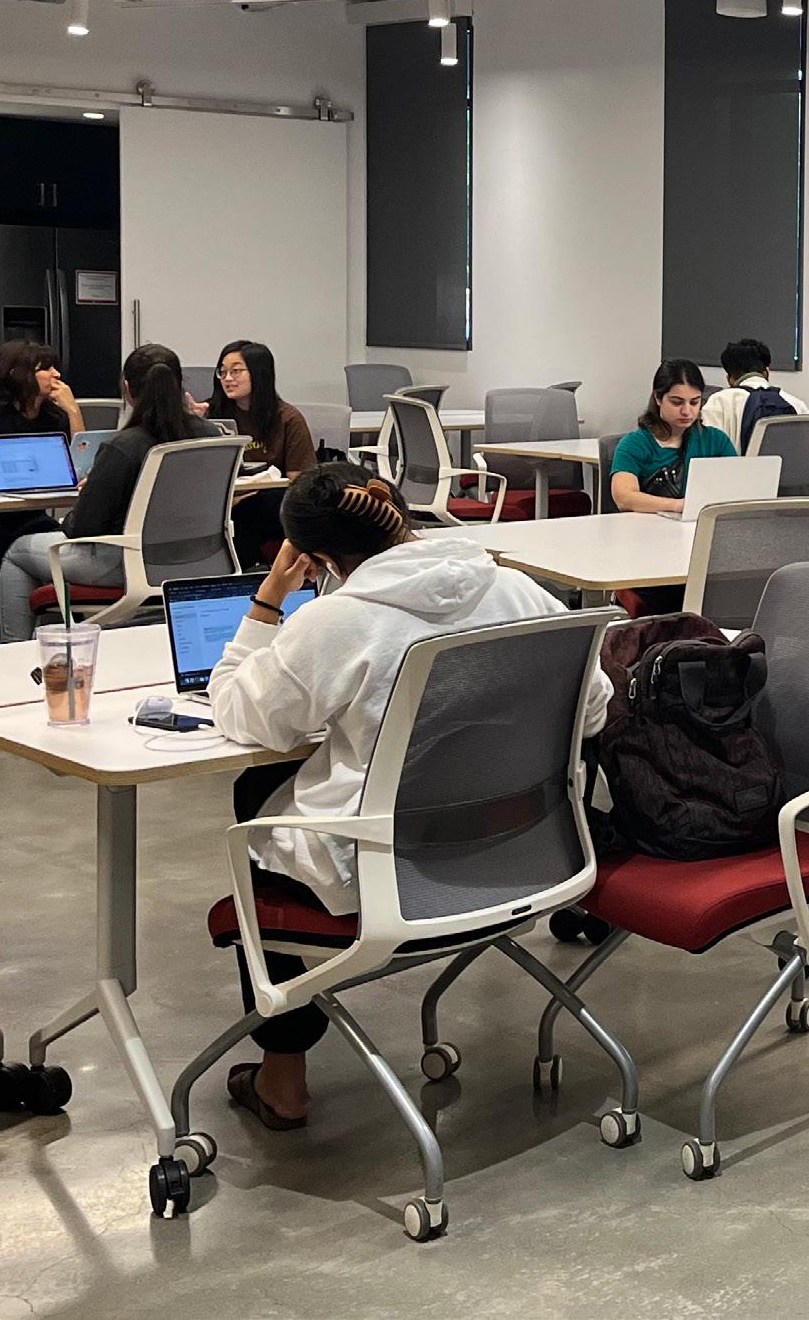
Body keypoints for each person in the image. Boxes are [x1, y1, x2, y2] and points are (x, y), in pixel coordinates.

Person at [206, 463, 611, 1129]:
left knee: (257, 791)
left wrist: (270, 599)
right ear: (399, 510)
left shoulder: (336, 620)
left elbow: (243, 715)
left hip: (398, 876)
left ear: (315, 557)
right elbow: (593, 710)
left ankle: (283, 1075)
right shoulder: (516, 586)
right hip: (522, 856)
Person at [0, 344, 214, 641]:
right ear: (179, 384)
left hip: (127, 563)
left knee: (16, 552)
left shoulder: (124, 446)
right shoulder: (210, 436)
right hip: (201, 559)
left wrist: (92, 491)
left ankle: (15, 651)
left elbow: (83, 528)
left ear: (128, 388)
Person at [0, 340, 83, 644]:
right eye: (46, 368)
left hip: (30, 514)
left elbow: (80, 464)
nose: (56, 374)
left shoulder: (54, 417)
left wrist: (73, 411)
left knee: (66, 543)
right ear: (19, 373)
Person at [210, 339, 317, 562]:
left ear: (259, 374)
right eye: (223, 372)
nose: (227, 378)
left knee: (259, 507)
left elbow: (300, 482)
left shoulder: (288, 418)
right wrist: (191, 422)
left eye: (236, 371)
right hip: (221, 498)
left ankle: (247, 569)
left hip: (267, 501)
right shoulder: (212, 415)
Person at [609, 360, 737, 514]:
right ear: (658, 398)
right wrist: (680, 506)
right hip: (650, 526)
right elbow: (624, 498)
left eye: (694, 402)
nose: (687, 411)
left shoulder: (716, 441)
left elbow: (737, 487)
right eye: (677, 402)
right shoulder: (635, 444)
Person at [700, 338, 807, 451]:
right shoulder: (797, 404)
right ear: (766, 373)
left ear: (729, 378)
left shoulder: (719, 402)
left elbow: (708, 449)